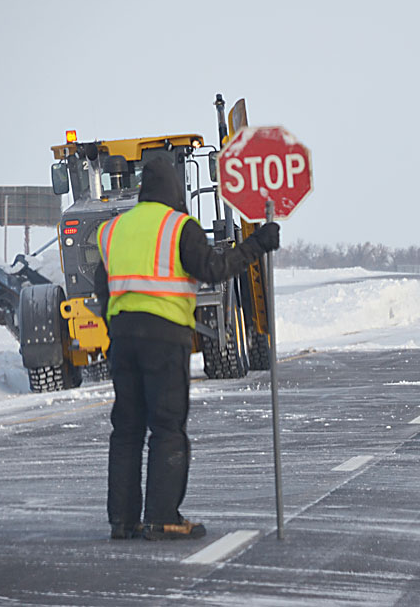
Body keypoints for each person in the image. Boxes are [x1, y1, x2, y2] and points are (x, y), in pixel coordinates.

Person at [94, 154, 280, 541]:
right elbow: (212, 269)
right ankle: (162, 518)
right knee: (167, 426)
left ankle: (122, 521)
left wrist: (120, 324)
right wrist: (257, 244)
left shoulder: (113, 230)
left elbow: (102, 283)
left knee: (126, 430)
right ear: (176, 188)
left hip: (124, 338)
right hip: (165, 338)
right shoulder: (179, 227)